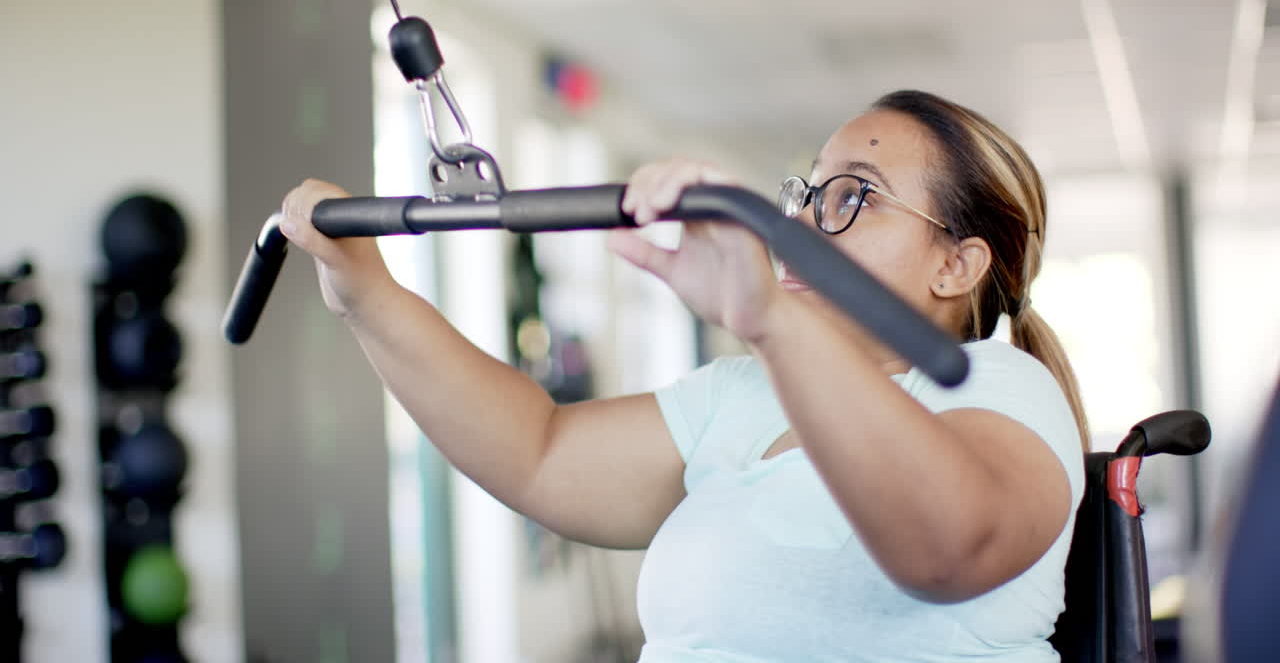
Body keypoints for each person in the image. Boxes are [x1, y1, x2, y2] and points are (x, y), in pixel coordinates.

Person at [279, 89, 1088, 661]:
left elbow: (946, 548)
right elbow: (536, 451)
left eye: (854, 198)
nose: (803, 221)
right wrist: (369, 295)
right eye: (806, 193)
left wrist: (765, 317)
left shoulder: (998, 389)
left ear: (957, 264)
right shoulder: (742, 392)